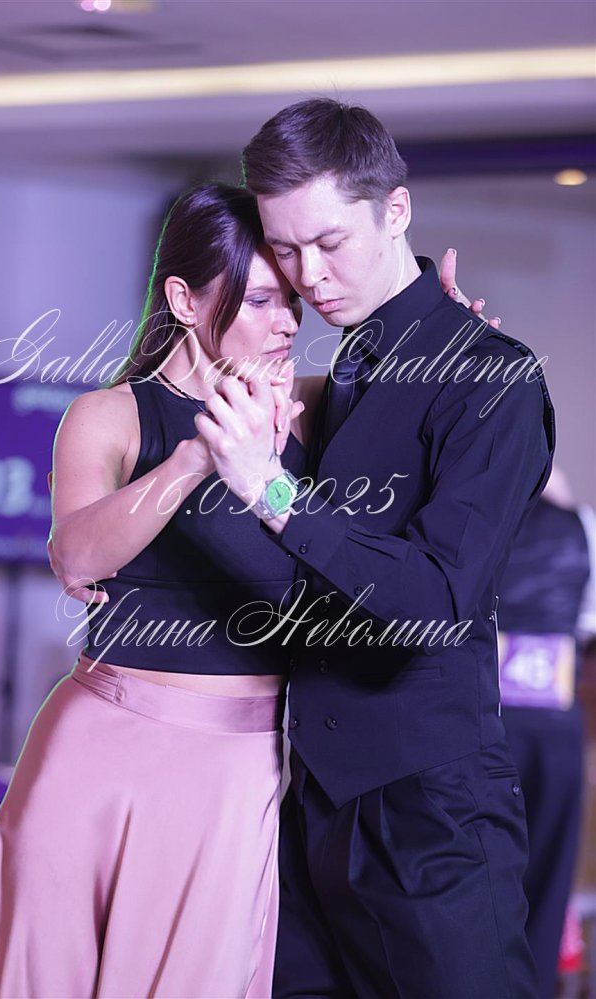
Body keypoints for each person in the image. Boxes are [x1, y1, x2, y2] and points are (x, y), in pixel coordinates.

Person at [195, 99, 556, 998]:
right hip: (311, 803)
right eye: (285, 249)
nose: (308, 276)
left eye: (329, 243)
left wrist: (275, 493)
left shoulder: (492, 375)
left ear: (396, 211)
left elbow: (434, 599)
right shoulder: (345, 376)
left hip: (433, 809)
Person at [0, 183, 306, 999]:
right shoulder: (110, 416)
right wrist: (199, 454)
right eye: (263, 299)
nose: (287, 322)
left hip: (241, 763)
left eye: (294, 301)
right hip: (104, 746)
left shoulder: (308, 414)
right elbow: (75, 554)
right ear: (184, 298)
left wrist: (449, 324)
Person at [497, 466, 595, 998]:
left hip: (486, 718)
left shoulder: (476, 523)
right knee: (549, 876)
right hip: (554, 724)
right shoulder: (584, 530)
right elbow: (588, 624)